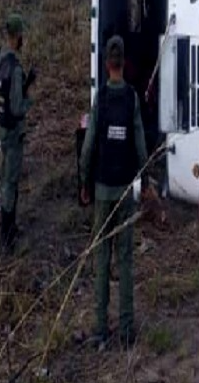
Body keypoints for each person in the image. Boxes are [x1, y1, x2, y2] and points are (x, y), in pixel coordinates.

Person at [79, 35, 148, 349]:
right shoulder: (132, 98)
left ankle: (100, 327)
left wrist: (84, 181)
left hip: (104, 189)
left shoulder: (101, 98)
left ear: (107, 64)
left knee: (102, 258)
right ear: (124, 64)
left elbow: (90, 143)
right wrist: (143, 179)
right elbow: (140, 143)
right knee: (125, 259)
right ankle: (127, 328)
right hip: (124, 191)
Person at [0, 13, 35, 254]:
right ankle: (7, 236)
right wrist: (29, 99)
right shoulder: (15, 68)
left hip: (2, 127)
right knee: (11, 181)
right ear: (17, 36)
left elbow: (5, 96)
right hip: (14, 131)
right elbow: (18, 107)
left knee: (5, 178)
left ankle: (7, 228)